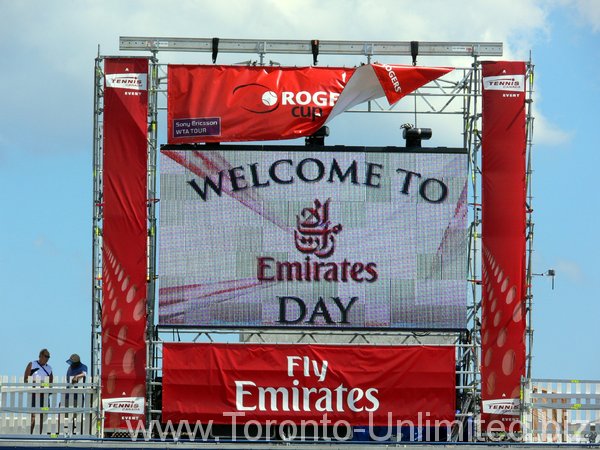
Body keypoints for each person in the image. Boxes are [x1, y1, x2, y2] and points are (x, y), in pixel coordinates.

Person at [24, 349, 53, 434]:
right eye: (46, 356)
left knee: (41, 415)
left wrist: (46, 387)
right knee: (33, 415)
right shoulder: (32, 364)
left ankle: (39, 435)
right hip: (34, 393)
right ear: (40, 355)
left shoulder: (49, 368)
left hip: (44, 394)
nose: (47, 358)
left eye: (48, 357)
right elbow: (26, 379)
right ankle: (30, 434)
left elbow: (51, 382)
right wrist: (37, 384)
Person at [63, 354, 88, 434]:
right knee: (66, 414)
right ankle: (68, 432)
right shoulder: (69, 368)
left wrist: (76, 377)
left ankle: (77, 432)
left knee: (77, 416)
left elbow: (84, 373)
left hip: (78, 396)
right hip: (68, 395)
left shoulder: (83, 366)